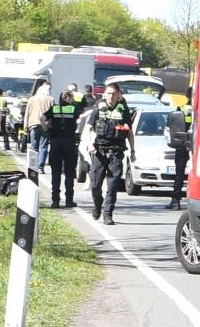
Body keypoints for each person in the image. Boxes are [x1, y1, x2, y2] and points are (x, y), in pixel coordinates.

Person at [88, 82, 135, 223]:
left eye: (114, 94)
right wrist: (90, 144)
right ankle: (97, 204)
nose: (111, 96)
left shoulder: (123, 110)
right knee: (95, 185)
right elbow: (89, 128)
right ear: (105, 94)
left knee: (112, 186)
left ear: (118, 95)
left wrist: (133, 151)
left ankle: (108, 215)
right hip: (99, 152)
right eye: (108, 93)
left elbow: (129, 132)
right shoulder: (99, 107)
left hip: (116, 152)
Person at [45, 83, 83, 208]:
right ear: (68, 98)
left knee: (55, 173)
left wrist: (46, 129)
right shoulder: (73, 109)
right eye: (71, 97)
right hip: (69, 142)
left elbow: (42, 118)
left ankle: (55, 201)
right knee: (69, 173)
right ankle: (69, 200)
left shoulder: (55, 108)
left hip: (55, 142)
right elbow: (80, 119)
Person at [23, 78, 54, 188]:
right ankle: (40, 167)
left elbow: (27, 112)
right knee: (44, 146)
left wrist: (25, 126)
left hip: (33, 124)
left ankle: (33, 167)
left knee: (34, 146)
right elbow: (52, 114)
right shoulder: (51, 99)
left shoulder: (32, 99)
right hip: (45, 125)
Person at [167, 84, 194, 210]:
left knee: (179, 173)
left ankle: (175, 200)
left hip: (183, 144)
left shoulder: (183, 108)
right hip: (199, 145)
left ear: (187, 96)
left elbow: (174, 127)